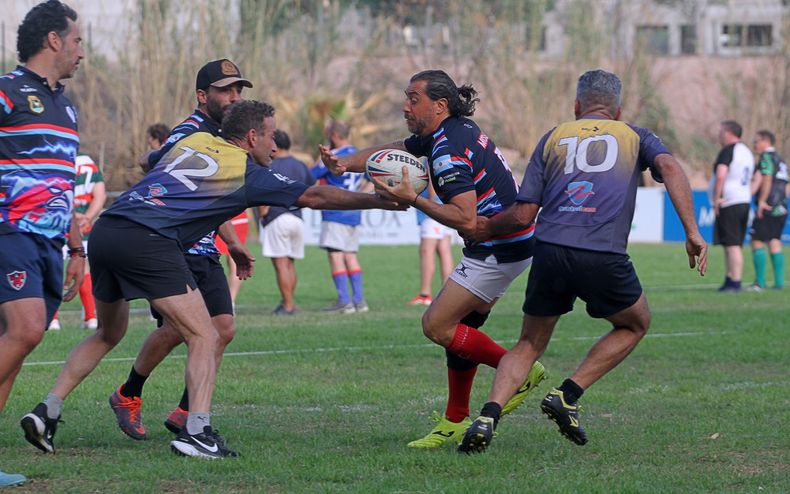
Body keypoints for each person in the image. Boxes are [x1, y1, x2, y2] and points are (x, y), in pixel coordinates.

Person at [20, 100, 403, 459]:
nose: (275, 144)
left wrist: (228, 240)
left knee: (107, 333)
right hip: (148, 239)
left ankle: (47, 410)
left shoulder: (196, 140)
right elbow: (317, 197)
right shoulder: (249, 173)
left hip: (108, 230)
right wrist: (380, 200)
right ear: (253, 136)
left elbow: (149, 161)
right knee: (206, 334)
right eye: (271, 135)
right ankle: (198, 433)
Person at [457, 69, 707, 453]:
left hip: (550, 250)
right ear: (618, 111)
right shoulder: (635, 136)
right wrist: (692, 230)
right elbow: (671, 168)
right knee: (635, 323)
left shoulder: (554, 137)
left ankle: (488, 416)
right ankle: (567, 393)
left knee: (528, 342)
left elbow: (523, 215)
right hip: (601, 253)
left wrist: (485, 228)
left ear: (578, 106)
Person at [320, 70, 546, 449]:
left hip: (497, 247)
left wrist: (416, 201)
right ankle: (455, 420)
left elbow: (465, 218)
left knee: (437, 325)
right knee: (462, 332)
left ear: (439, 105)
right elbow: (395, 150)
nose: (405, 105)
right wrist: (345, 163)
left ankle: (517, 369)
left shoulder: (445, 151)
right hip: (510, 242)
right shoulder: (451, 129)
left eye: (413, 99)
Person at [107, 59, 251, 441]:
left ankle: (188, 412)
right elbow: (159, 173)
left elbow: (209, 197)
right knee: (181, 329)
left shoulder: (228, 136)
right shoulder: (189, 131)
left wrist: (233, 242)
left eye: (238, 90)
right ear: (203, 96)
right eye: (225, 90)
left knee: (223, 328)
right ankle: (129, 393)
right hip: (175, 246)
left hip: (206, 248)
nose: (234, 96)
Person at [0, 0, 84, 485]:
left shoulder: (67, 105)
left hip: (51, 244)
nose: (81, 52)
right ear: (53, 40)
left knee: (13, 347)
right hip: (9, 231)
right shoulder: (7, 91)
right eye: (76, 41)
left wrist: (77, 249)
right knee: (27, 330)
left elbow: (63, 183)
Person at [312, 120, 369, 313]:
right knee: (350, 255)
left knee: (336, 256)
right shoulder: (358, 154)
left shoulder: (333, 156)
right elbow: (371, 179)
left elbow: (312, 173)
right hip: (354, 212)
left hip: (335, 210)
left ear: (335, 135)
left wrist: (322, 156)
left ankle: (344, 301)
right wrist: (361, 197)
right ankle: (359, 301)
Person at [260, 129, 316, 315]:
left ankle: (289, 305)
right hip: (297, 219)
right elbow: (311, 188)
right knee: (290, 264)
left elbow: (265, 193)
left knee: (280, 264)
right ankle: (289, 302)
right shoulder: (300, 165)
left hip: (277, 217)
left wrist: (262, 212)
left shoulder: (270, 165)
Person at [48, 154, 106, 331]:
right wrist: (87, 217)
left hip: (59, 222)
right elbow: (100, 195)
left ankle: (53, 319)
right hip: (83, 228)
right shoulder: (89, 162)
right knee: (85, 269)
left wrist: (73, 216)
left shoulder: (56, 160)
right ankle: (91, 318)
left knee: (54, 267)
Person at [710, 120, 753, 292]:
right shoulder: (747, 152)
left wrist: (717, 197)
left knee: (733, 244)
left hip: (730, 201)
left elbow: (721, 175)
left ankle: (735, 282)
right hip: (743, 200)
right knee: (732, 243)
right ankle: (729, 279)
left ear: (729, 133)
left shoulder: (728, 150)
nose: (719, 135)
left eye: (721, 132)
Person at [747, 129, 787, 290]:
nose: (754, 145)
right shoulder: (781, 159)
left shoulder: (766, 157)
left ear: (766, 141)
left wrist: (762, 201)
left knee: (756, 241)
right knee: (775, 241)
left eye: (756, 141)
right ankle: (778, 283)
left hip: (769, 205)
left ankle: (760, 283)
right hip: (781, 207)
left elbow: (767, 178)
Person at [406, 183, 454, 306]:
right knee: (444, 251)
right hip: (447, 208)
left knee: (426, 251)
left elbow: (433, 181)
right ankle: (448, 294)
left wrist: (432, 201)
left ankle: (424, 294)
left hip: (432, 213)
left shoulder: (428, 162)